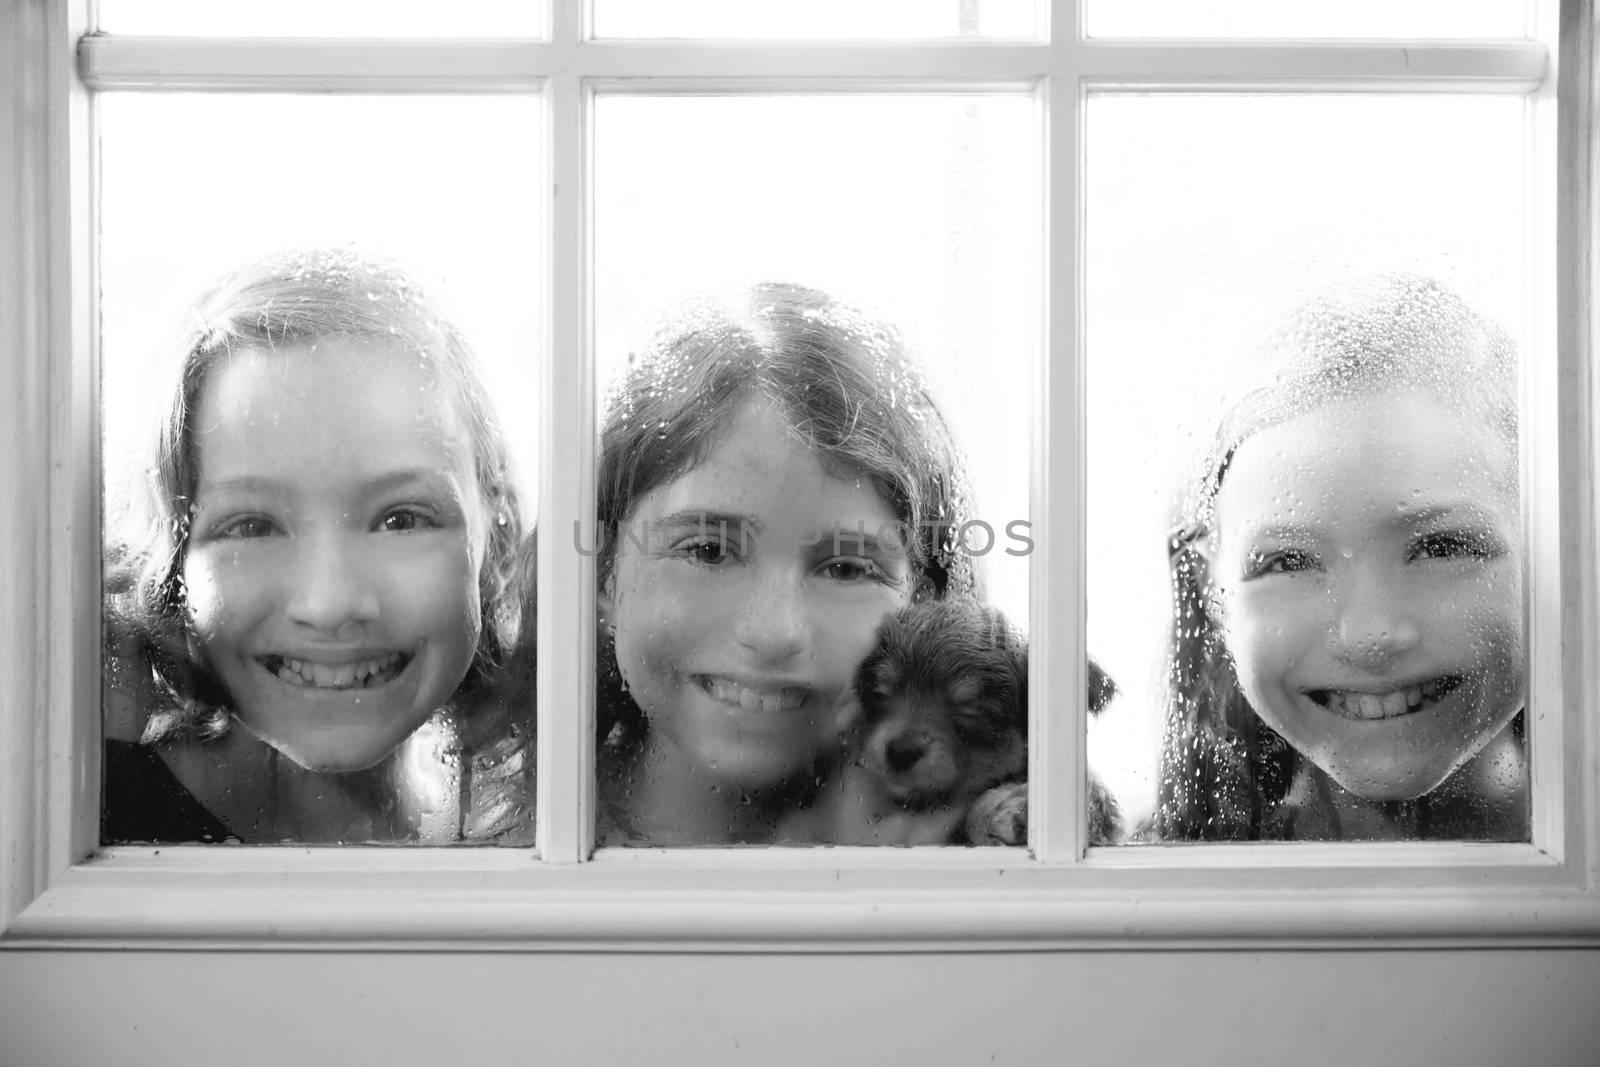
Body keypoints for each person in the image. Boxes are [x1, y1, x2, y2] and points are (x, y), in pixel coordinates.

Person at [103, 247, 534, 844]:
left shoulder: (529, 826)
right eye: (252, 527)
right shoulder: (93, 826)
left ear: (500, 545)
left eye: (400, 520)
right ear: (173, 567)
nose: (329, 604)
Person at [594, 283, 977, 845]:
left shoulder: (990, 862)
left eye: (846, 569)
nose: (774, 631)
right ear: (604, 570)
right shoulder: (480, 850)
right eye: (708, 551)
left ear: (927, 603)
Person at [1148, 273, 1527, 842]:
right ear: (1213, 591)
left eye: (1441, 547)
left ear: (1563, 553)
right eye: (1288, 562)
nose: (1369, 635)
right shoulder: (1150, 873)